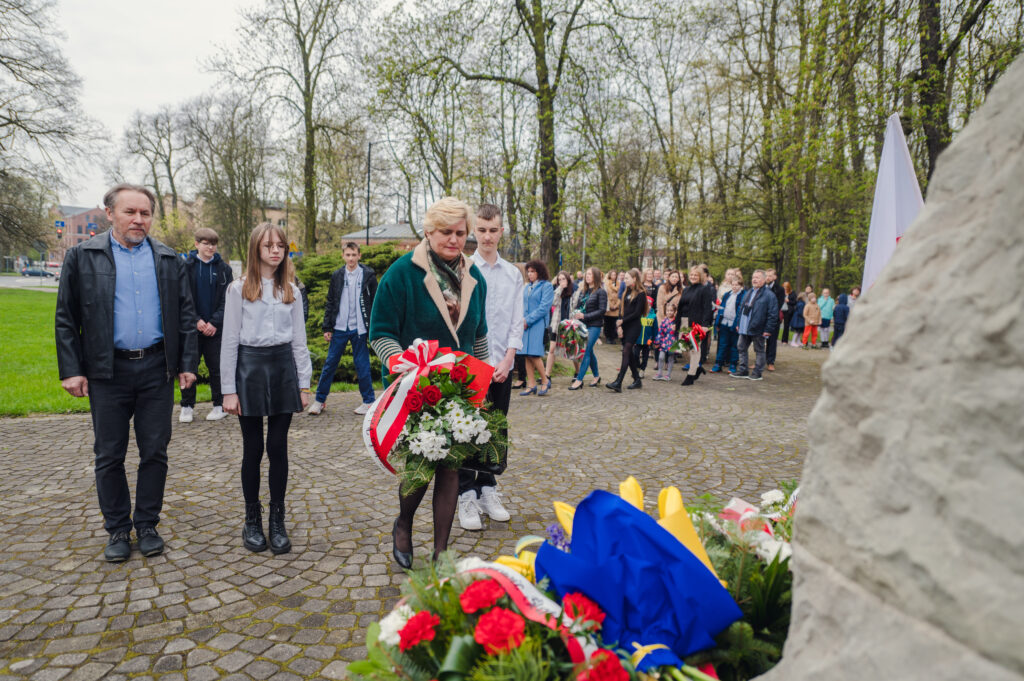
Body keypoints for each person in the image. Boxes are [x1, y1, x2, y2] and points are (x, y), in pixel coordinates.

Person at [55, 183, 198, 562]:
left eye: (145, 213)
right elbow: (66, 317)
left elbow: (186, 315)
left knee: (155, 451)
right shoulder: (82, 256)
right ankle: (118, 528)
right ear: (110, 213)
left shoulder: (168, 259)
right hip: (107, 370)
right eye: (130, 212)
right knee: (109, 454)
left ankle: (147, 524)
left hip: (156, 369)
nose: (138, 219)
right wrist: (72, 369)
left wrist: (187, 364)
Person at [369, 197, 489, 568]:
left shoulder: (475, 278)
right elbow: (380, 332)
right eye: (445, 232)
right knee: (421, 466)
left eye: (460, 233)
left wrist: (482, 386)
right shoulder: (402, 274)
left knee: (451, 468)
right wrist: (404, 366)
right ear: (428, 231)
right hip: (416, 388)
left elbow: (479, 335)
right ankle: (403, 524)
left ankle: (441, 551)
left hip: (459, 388)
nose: (454, 240)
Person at [221, 223, 312, 554]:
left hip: (283, 369)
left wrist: (304, 383)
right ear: (255, 249)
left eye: (280, 245)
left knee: (277, 447)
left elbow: (299, 340)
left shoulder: (292, 291)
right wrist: (228, 389)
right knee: (253, 448)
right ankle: (252, 519)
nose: (275, 251)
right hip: (250, 370)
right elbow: (230, 340)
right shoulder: (239, 289)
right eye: (268, 245)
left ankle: (277, 519)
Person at [458, 204, 523, 532]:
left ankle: (487, 488)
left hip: (502, 364)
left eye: (492, 230)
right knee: (466, 429)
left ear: (501, 232)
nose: (487, 237)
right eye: (481, 230)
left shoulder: (513, 274)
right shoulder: (465, 270)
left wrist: (509, 359)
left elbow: (516, 321)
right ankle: (465, 493)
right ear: (475, 231)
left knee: (495, 428)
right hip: (471, 366)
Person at [308, 242, 377, 416]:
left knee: (362, 365)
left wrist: (373, 326)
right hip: (339, 327)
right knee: (330, 364)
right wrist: (327, 327)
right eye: (348, 255)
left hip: (359, 329)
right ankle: (319, 401)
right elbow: (331, 301)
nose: (351, 258)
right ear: (343, 256)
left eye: (354, 255)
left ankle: (369, 402)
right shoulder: (337, 275)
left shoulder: (368, 275)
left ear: (359, 255)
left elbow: (375, 301)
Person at [179, 228, 233, 423]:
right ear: (196, 244)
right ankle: (186, 407)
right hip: (192, 328)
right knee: (189, 367)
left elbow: (228, 300)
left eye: (213, 244)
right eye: (206, 243)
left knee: (217, 368)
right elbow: (182, 297)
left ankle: (219, 405)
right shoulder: (186, 267)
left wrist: (214, 322)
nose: (210, 247)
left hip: (215, 330)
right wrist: (196, 320)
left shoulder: (224, 270)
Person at [730, 269, 779, 381]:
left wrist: (768, 329)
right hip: (744, 327)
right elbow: (741, 308)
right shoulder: (749, 292)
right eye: (753, 277)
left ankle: (757, 373)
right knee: (741, 347)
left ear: (764, 280)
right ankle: (743, 370)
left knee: (759, 350)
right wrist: (738, 323)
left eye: (757, 277)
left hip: (759, 328)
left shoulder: (769, 295)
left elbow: (773, 314)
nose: (754, 279)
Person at [607, 268, 648, 392]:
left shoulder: (641, 293)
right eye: (624, 278)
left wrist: (622, 321)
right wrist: (619, 325)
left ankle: (618, 382)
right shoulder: (626, 291)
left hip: (634, 327)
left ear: (634, 279)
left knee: (626, 351)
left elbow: (637, 313)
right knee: (628, 354)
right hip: (624, 326)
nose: (624, 280)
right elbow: (622, 310)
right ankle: (637, 379)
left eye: (626, 278)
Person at [517, 260, 554, 395]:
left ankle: (545, 380)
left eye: (533, 271)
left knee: (534, 354)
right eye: (528, 271)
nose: (529, 274)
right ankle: (531, 383)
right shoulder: (527, 287)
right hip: (525, 324)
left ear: (540, 272)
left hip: (537, 324)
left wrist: (528, 320)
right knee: (526, 355)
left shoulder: (547, 286)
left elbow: (544, 308)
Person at [568, 266, 606, 390]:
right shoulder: (584, 291)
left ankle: (579, 380)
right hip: (582, 325)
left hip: (595, 326)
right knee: (589, 351)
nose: (587, 276)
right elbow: (579, 306)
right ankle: (596, 376)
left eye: (590, 274)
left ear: (595, 276)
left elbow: (602, 311)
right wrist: (576, 314)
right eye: (586, 274)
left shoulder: (601, 292)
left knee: (585, 351)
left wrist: (585, 316)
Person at [676, 265, 714, 383]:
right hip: (684, 321)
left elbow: (707, 308)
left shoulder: (704, 289)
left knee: (694, 349)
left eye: (696, 275)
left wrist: (705, 324)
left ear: (700, 276)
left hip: (696, 322)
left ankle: (691, 375)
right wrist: (676, 323)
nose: (693, 277)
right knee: (683, 348)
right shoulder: (686, 289)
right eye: (691, 275)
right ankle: (697, 368)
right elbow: (680, 307)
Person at [545, 270, 578, 380]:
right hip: (557, 324)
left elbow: (576, 306)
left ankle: (578, 373)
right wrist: (560, 289)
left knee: (572, 350)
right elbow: (552, 303)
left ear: (568, 279)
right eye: (559, 280)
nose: (561, 281)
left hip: (570, 325)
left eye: (563, 279)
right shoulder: (557, 290)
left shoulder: (575, 290)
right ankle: (547, 375)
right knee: (552, 349)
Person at [712, 276, 745, 373]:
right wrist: (718, 323)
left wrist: (738, 324)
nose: (734, 287)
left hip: (734, 324)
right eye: (733, 285)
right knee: (722, 345)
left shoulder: (743, 296)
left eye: (737, 285)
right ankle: (718, 364)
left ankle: (733, 365)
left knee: (734, 346)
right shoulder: (727, 295)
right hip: (724, 323)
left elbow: (741, 312)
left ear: (741, 286)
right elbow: (721, 309)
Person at [764, 268, 785, 371]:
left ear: (775, 277)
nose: (768, 277)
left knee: (772, 341)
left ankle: (770, 362)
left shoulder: (779, 289)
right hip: (761, 318)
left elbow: (779, 305)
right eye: (766, 275)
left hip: (773, 318)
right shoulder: (761, 287)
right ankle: (760, 361)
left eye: (770, 276)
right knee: (759, 341)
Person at [652, 301, 678, 380]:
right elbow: (660, 332)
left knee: (670, 358)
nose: (669, 312)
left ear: (674, 311)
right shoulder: (664, 321)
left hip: (672, 343)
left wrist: (676, 330)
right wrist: (657, 341)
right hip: (664, 342)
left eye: (671, 310)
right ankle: (659, 373)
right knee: (661, 357)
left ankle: (668, 375)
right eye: (668, 310)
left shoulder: (676, 322)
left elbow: (679, 333)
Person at [603, 269, 620, 344]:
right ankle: (608, 337)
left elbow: (620, 296)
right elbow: (605, 295)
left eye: (615, 275)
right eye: (612, 274)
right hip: (608, 306)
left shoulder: (619, 284)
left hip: (616, 307)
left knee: (614, 323)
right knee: (607, 323)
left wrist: (616, 305)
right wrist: (610, 305)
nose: (613, 276)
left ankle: (612, 338)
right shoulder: (606, 284)